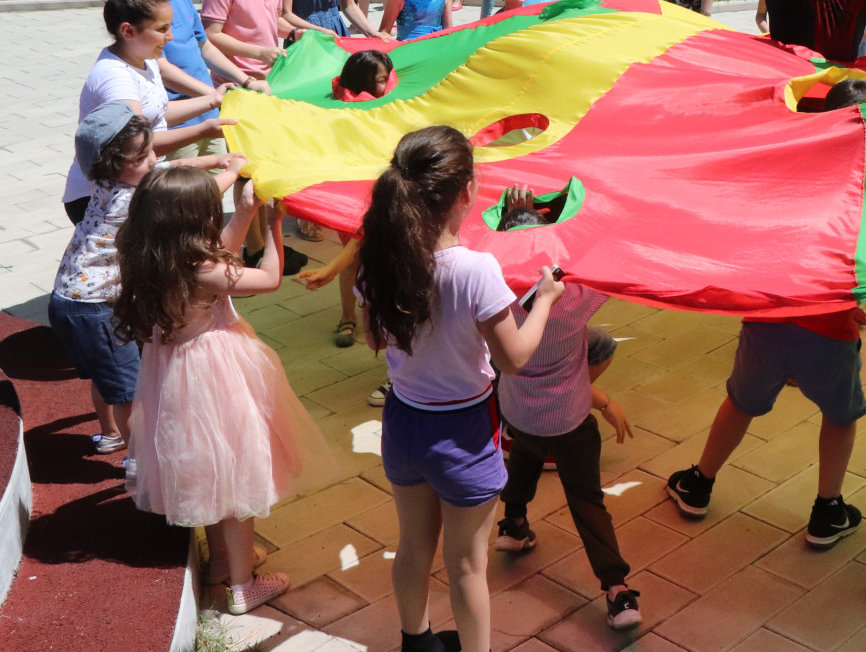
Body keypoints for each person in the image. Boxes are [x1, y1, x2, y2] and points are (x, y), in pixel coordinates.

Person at [354, 126, 563, 652]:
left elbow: (372, 337)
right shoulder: (475, 270)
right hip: (465, 431)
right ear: (467, 192)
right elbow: (514, 359)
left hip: (403, 424)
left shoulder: (378, 258)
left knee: (412, 549)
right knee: (468, 565)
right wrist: (544, 300)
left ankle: (416, 642)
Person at [117, 167, 336, 615]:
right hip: (215, 374)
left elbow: (221, 258)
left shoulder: (150, 256)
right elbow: (267, 277)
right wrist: (271, 226)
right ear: (192, 222)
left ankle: (221, 562)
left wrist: (246, 209)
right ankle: (243, 586)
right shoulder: (203, 270)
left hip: (175, 374)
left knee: (212, 475)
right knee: (237, 477)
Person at [50, 105, 244, 461]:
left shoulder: (113, 182)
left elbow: (167, 168)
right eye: (142, 155)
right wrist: (231, 172)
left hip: (73, 301)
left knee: (104, 372)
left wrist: (215, 160)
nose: (153, 159)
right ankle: (140, 463)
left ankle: (111, 435)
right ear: (114, 164)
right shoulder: (131, 199)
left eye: (151, 147)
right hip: (95, 308)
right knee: (128, 391)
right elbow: (188, 200)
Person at [490, 188, 642, 630]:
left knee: (523, 463)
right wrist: (566, 214)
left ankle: (513, 525)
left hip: (518, 416)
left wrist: (511, 218)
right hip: (570, 422)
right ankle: (617, 590)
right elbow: (605, 253)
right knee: (587, 500)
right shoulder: (574, 299)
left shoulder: (494, 300)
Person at [664, 297, 866, 547]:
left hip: (765, 327)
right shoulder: (851, 254)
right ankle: (828, 511)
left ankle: (698, 483)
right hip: (830, 335)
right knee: (840, 418)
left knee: (740, 405)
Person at [61, 0, 231, 225]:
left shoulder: (144, 59)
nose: (170, 37)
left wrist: (212, 100)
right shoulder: (116, 78)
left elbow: (157, 114)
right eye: (162, 29)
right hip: (100, 200)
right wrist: (203, 130)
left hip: (132, 187)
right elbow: (138, 146)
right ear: (128, 31)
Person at [125, 0, 267, 161]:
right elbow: (162, 67)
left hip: (208, 113)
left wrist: (245, 80)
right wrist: (213, 94)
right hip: (177, 122)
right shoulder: (134, 10)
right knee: (185, 193)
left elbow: (205, 47)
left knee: (212, 189)